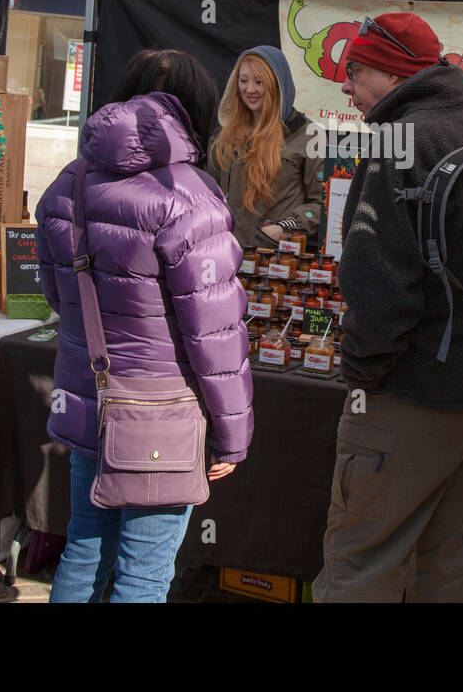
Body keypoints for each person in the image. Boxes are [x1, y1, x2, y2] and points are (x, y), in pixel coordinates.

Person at [312, 13, 463, 603]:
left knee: (361, 567)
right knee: (450, 567)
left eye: (355, 71)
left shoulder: (399, 142)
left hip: (418, 393)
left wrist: (362, 374)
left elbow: (378, 287)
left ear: (393, 73)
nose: (345, 85)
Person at [36, 49, 253, 603]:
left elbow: (58, 296)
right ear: (196, 109)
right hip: (162, 414)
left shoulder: (69, 182)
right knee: (143, 577)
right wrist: (232, 435)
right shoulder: (190, 195)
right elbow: (217, 338)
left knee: (84, 551)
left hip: (90, 396)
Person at [207, 45, 324, 248]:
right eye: (243, 80)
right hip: (227, 253)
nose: (250, 89)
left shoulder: (308, 136)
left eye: (259, 82)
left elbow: (322, 204)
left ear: (277, 85)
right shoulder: (226, 134)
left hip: (275, 257)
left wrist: (285, 227)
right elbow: (208, 193)